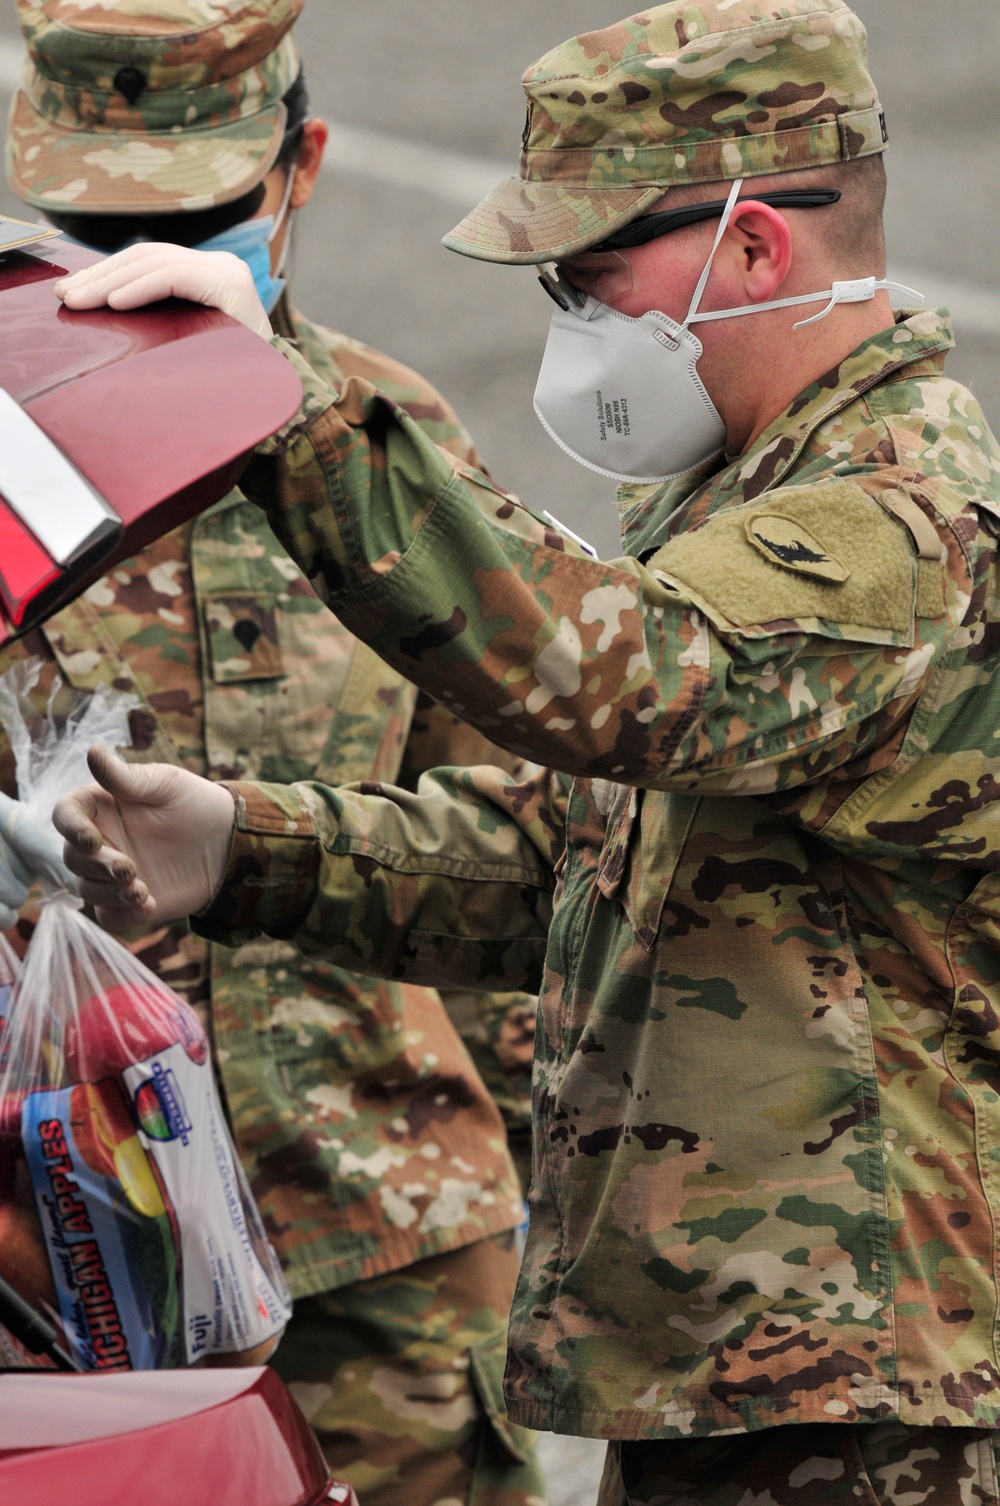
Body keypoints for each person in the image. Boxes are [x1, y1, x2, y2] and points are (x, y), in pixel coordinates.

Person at [52, 0, 1000, 1501]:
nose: (568, 313)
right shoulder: (748, 507)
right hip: (735, 1384)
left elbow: (601, 677)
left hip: (866, 1411)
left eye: (592, 272)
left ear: (753, 249)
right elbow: (578, 863)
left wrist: (295, 411)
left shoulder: (897, 533)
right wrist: (242, 845)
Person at [0, 4, 544, 1504]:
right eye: (88, 222)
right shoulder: (1, 464)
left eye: (194, 220)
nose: (131, 266)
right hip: (65, 1271)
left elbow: (534, 826)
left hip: (389, 1248)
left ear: (302, 167)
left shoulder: (387, 450)